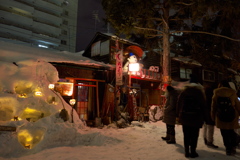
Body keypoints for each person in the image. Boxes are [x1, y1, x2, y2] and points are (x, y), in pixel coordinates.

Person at [176, 74, 207, 158]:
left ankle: (186, 152)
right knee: (194, 135)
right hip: (196, 117)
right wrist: (204, 117)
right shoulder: (199, 92)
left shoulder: (184, 92)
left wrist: (178, 115)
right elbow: (203, 105)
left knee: (186, 135)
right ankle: (193, 152)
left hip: (185, 117)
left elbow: (178, 104)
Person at [211, 80, 240, 156]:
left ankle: (228, 149)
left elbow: (213, 106)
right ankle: (233, 147)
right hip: (232, 116)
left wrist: (213, 116)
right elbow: (237, 104)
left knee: (224, 133)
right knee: (231, 132)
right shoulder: (232, 93)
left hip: (221, 116)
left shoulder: (216, 93)